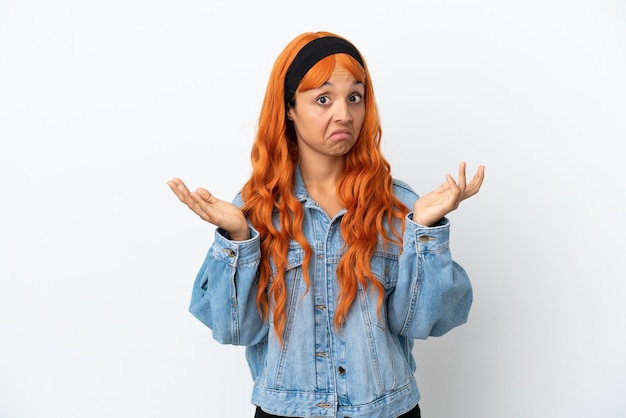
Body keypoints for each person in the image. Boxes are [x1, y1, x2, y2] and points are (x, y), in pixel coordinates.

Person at [167, 31, 485, 418]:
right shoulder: (256, 209)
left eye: (355, 97)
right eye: (323, 99)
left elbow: (427, 322)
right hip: (287, 411)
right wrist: (237, 239)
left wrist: (426, 231)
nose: (344, 114)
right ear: (289, 108)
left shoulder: (398, 205)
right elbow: (234, 330)